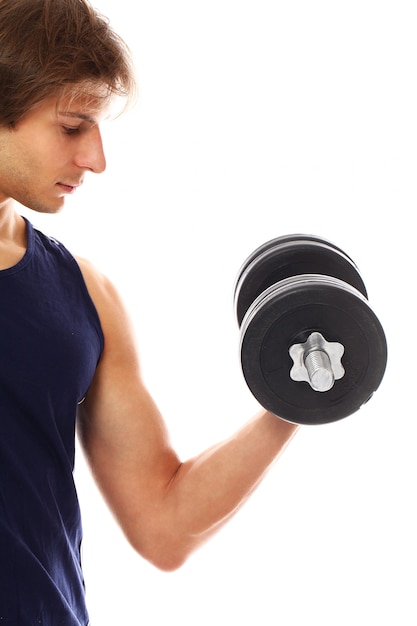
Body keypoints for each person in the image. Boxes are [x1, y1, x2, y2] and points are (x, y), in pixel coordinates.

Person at [0, 0, 299, 623]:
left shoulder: (85, 294)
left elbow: (164, 525)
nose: (96, 159)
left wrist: (292, 400)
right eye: (73, 126)